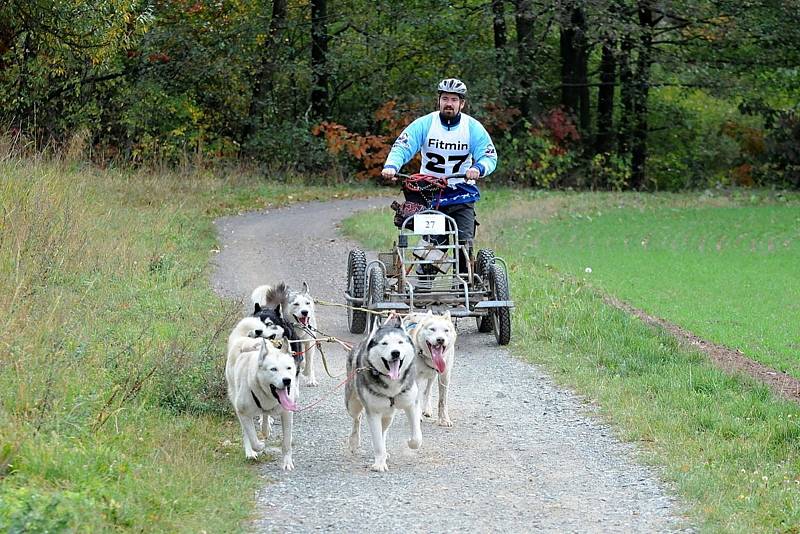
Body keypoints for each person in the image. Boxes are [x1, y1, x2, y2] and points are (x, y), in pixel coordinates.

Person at [382, 78, 498, 273]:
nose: (449, 103)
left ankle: (463, 289)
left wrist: (478, 168)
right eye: (445, 98)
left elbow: (489, 156)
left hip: (462, 192)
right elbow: (403, 146)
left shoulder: (473, 127)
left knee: (464, 243)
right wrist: (392, 166)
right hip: (430, 194)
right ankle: (423, 287)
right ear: (439, 101)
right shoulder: (426, 124)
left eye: (454, 99)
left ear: (462, 103)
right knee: (434, 246)